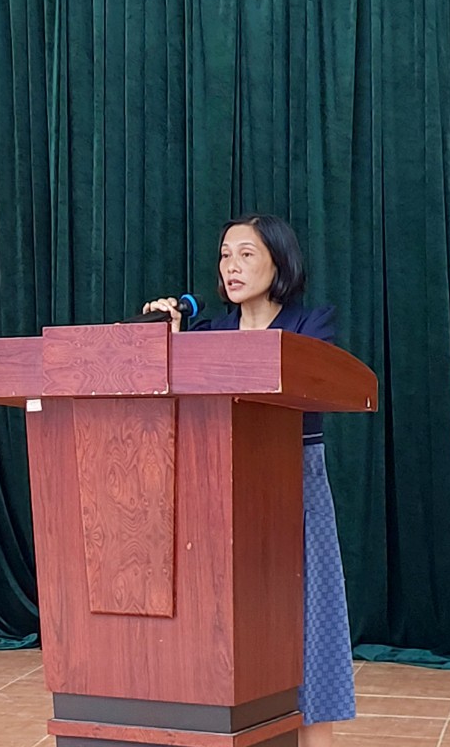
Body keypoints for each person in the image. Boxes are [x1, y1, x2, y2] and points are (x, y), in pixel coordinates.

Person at [142, 213, 354, 747]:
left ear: (279, 263)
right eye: (224, 255)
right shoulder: (207, 333)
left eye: (246, 254)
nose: (231, 266)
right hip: (218, 487)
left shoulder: (311, 325)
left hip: (294, 482)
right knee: (227, 621)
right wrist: (171, 341)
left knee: (307, 617)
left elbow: (289, 379)